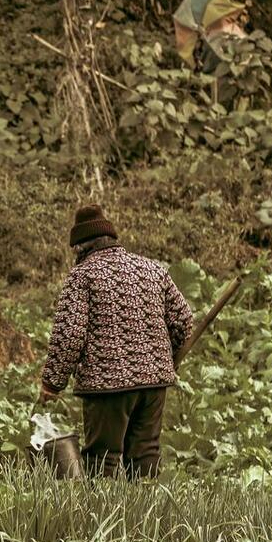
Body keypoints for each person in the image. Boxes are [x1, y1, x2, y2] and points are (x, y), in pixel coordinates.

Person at [38, 205, 193, 479]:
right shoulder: (153, 270)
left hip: (106, 386)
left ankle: (102, 518)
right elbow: (183, 320)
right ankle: (146, 518)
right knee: (146, 455)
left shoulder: (83, 275)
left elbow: (70, 334)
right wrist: (164, 359)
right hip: (154, 383)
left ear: (81, 247)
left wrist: (52, 383)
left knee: (102, 459)